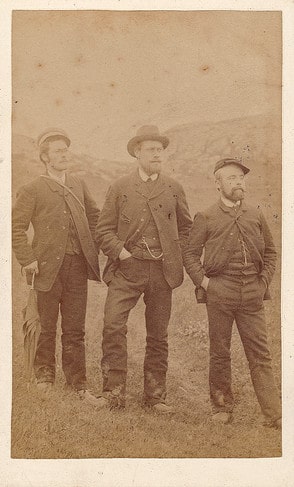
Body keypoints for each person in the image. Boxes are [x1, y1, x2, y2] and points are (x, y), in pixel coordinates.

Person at [94, 125, 192, 413]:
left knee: (158, 334)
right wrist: (121, 253)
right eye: (151, 149)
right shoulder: (120, 186)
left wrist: (174, 252)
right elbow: (103, 229)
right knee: (113, 326)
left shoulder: (174, 188)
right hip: (128, 269)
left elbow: (186, 228)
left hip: (162, 272)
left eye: (160, 149)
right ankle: (113, 393)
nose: (157, 154)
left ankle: (156, 396)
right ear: (137, 152)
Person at [183, 157, 281, 428]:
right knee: (220, 352)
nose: (238, 183)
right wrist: (206, 284)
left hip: (252, 293)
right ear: (218, 184)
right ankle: (222, 407)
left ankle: (274, 414)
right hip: (220, 293)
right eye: (231, 179)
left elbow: (271, 253)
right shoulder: (206, 216)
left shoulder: (255, 214)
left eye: (241, 178)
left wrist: (262, 283)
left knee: (260, 354)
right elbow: (190, 255)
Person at [12, 128, 101, 405]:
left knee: (75, 329)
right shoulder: (32, 189)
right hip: (45, 270)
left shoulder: (77, 184)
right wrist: (28, 259)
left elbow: (95, 217)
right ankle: (44, 378)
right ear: (45, 157)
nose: (65, 155)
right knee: (45, 327)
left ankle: (78, 384)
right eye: (58, 151)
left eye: (66, 150)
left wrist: (92, 248)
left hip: (76, 268)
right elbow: (15, 228)